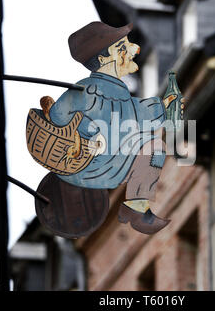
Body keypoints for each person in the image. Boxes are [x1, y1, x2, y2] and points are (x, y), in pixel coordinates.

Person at [39, 21, 182, 234]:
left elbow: (132, 111)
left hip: (104, 165)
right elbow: (59, 118)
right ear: (105, 58)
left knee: (153, 147)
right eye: (125, 47)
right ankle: (135, 208)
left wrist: (162, 106)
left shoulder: (114, 91)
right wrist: (85, 135)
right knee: (154, 147)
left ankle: (136, 207)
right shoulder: (87, 91)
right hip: (90, 166)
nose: (136, 49)